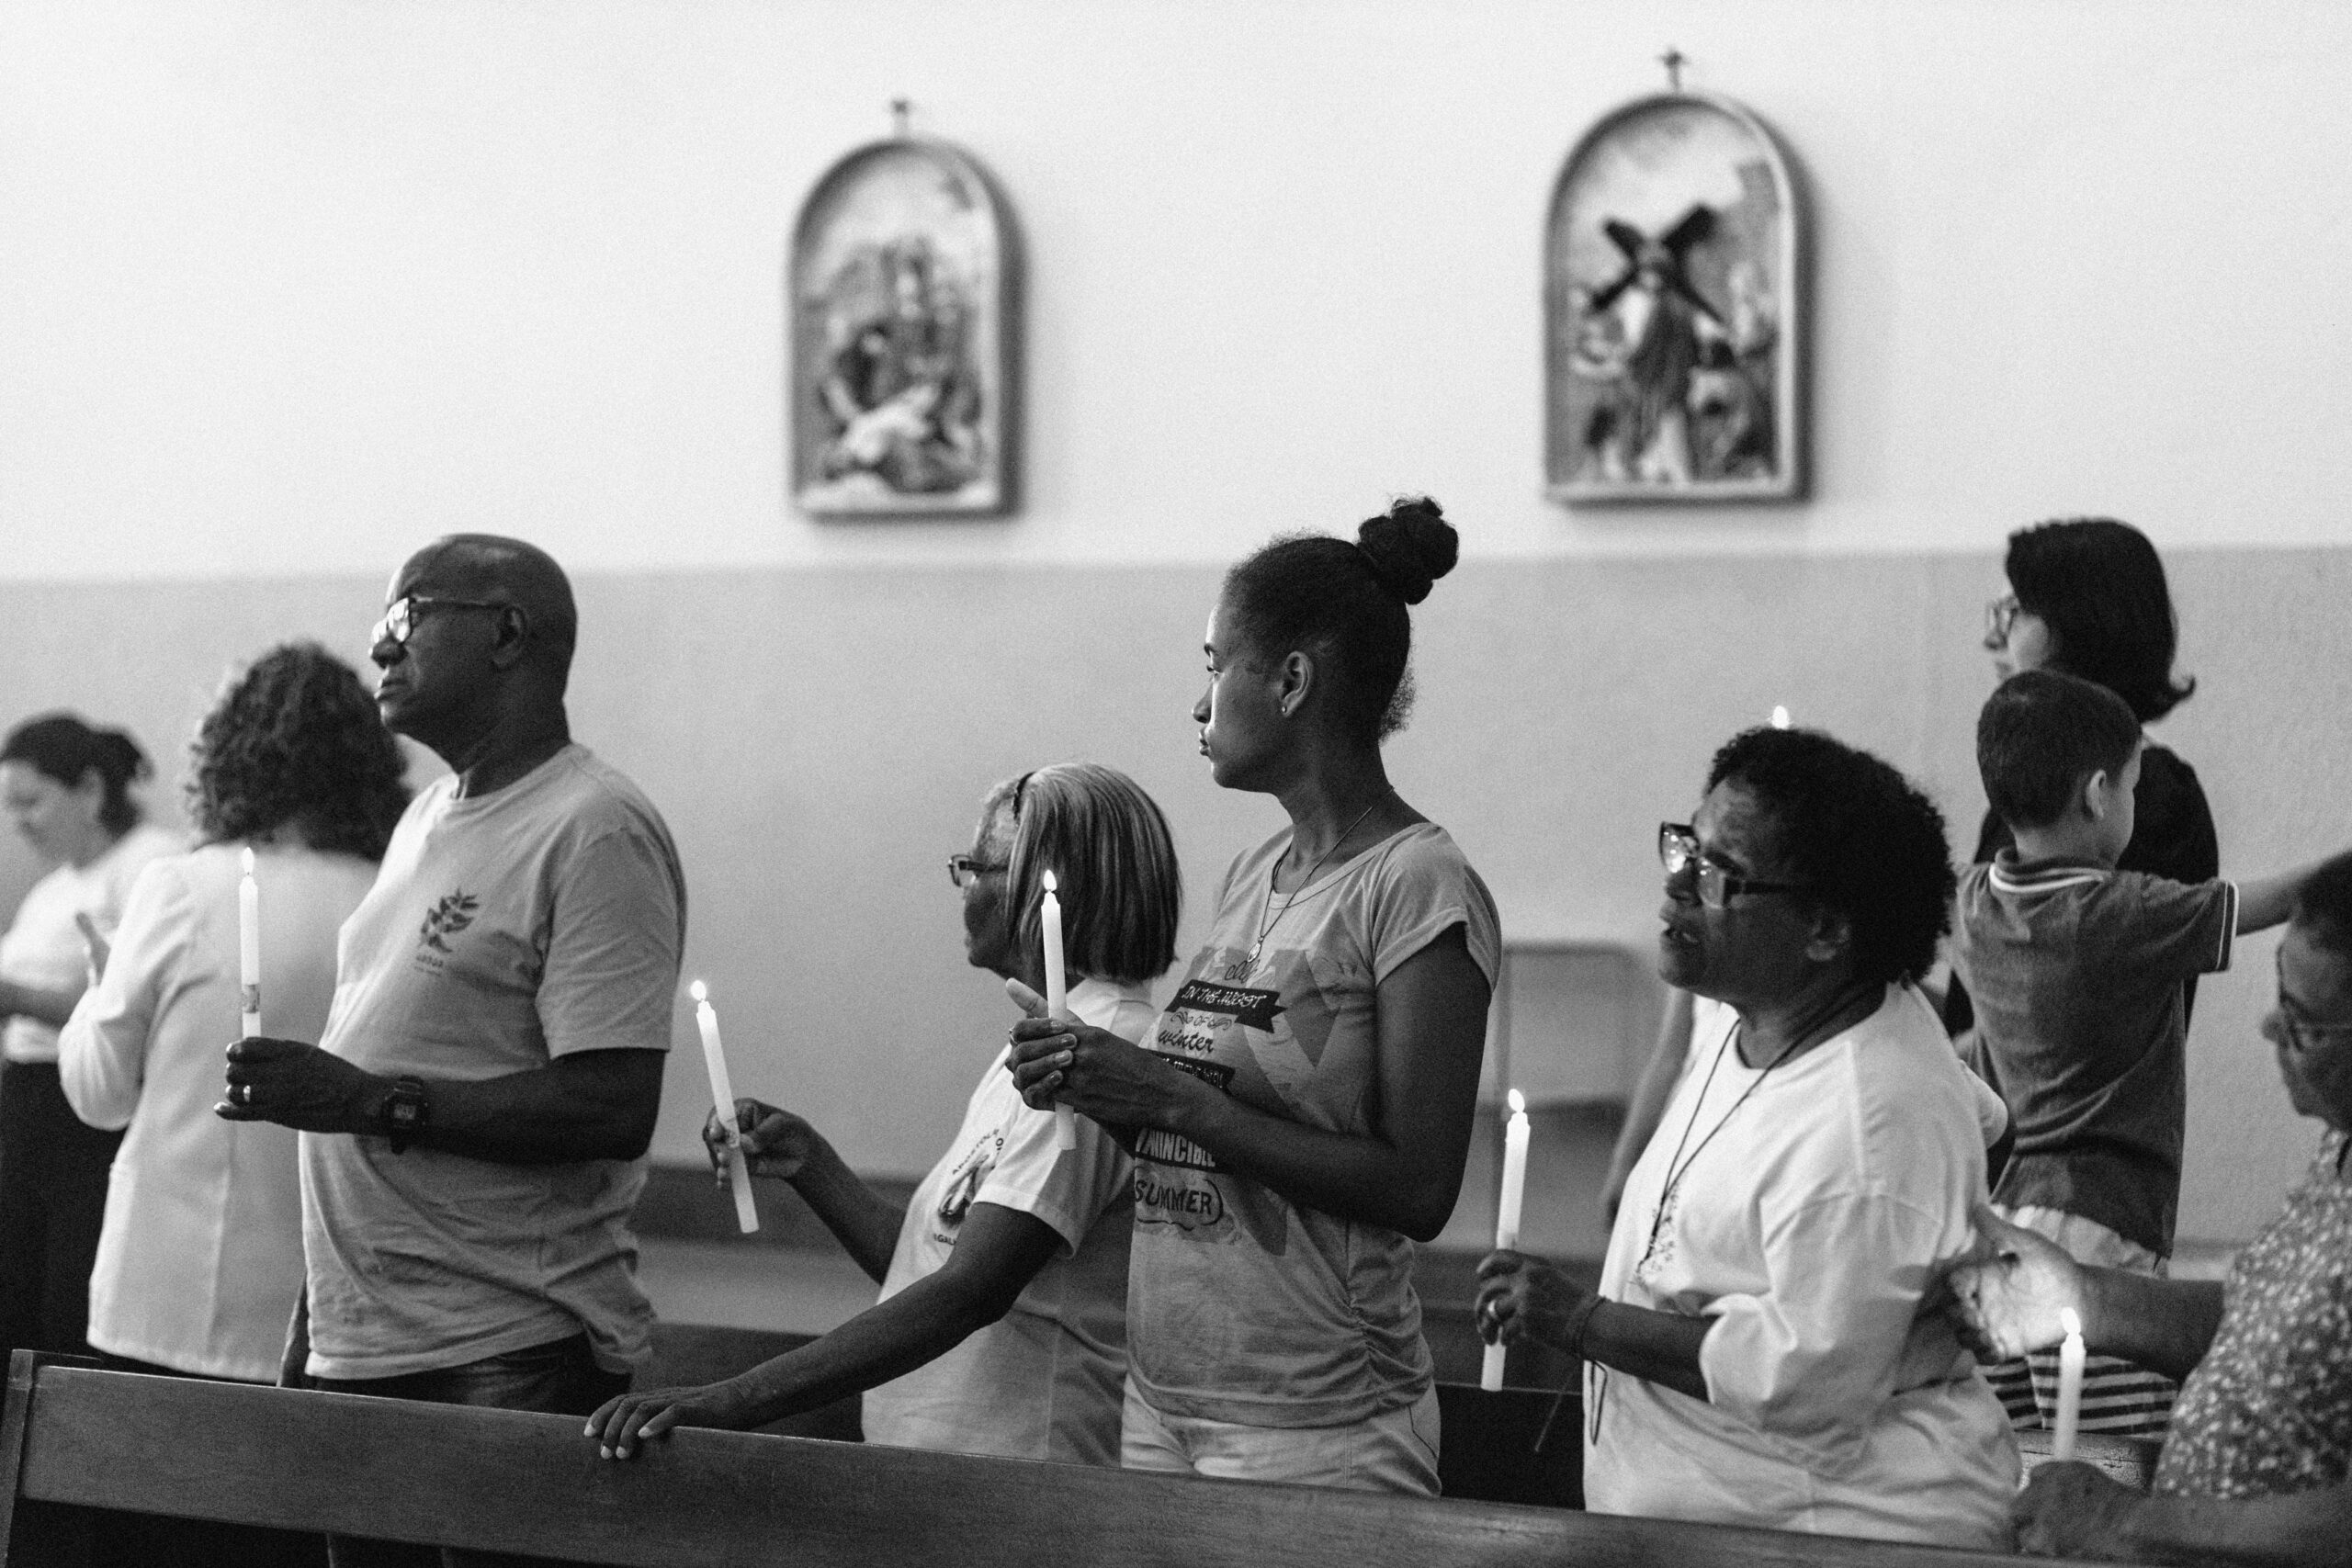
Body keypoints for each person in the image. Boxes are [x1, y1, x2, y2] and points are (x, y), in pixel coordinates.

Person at [1011, 497, 1498, 1496]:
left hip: (1319, 1416)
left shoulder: (1414, 884)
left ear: (1289, 680)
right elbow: (1204, 1112)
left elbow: (1418, 1188)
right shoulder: (1252, 872)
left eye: (1212, 664)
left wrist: (1166, 1097)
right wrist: (1089, 1077)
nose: (1198, 703)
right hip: (1165, 1394)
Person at [220, 536, 684, 1568]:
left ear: (508, 632)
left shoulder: (592, 827)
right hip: (363, 1332)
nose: (378, 648)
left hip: (505, 1343)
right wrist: (317, 1321)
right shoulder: (428, 814)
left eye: (405, 617)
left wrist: (368, 1103)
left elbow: (611, 1105)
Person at [1478, 727, 2017, 1547]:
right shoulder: (1779, 1014)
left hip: (1825, 1534)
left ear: (1827, 931)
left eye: (1716, 875)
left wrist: (1584, 1320)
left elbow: (1796, 1380)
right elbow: (1988, 1119)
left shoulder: (1872, 1117)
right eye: (1683, 852)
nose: (1673, 894)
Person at [586, 762, 1180, 1465]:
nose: (962, 887)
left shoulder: (1098, 1052)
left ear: (1036, 885)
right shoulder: (1051, 1038)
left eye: (972, 866)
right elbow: (931, 1266)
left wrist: (732, 1400)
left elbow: (970, 1292)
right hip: (946, 1467)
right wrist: (811, 1162)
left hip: (1020, 1473)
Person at [57, 644, 407, 1568]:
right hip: (329, 1303)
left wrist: (98, 994)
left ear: (231, 753)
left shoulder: (182, 884)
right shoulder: (395, 896)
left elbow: (98, 1094)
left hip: (168, 1295)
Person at [1946, 849, 2352, 1563]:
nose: (2270, 1031)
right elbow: (2271, 1327)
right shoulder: (2341, 1150)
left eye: (2306, 1022)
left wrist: (2127, 1520)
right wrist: (2079, 1296)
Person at [1954, 669, 2328, 1438]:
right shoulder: (2124, 912)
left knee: (2010, 1448)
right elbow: (2270, 902)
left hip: (2002, 1217)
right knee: (2108, 1448)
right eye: (2129, 786)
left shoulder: (1973, 903)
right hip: (2103, 1234)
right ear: (2097, 793)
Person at [1956, 516, 2217, 1028]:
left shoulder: (2154, 797)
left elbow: (2064, 1007)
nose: (1994, 641)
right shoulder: (2040, 779)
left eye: (2014, 613)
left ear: (2079, 627)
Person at [0, 713, 180, 1359]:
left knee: (67, 1300)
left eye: (29, 800)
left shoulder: (151, 864)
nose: (18, 821)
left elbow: (139, 1002)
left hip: (86, 1116)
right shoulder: (51, 890)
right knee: (13, 1290)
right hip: (24, 1108)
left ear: (89, 790)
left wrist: (16, 998)